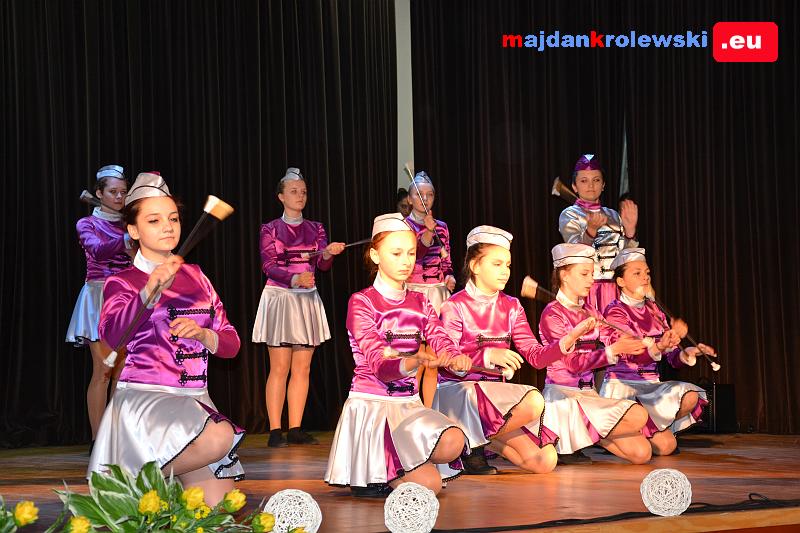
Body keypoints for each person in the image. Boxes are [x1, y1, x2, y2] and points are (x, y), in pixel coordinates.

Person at [89, 172, 244, 505]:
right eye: (154, 220)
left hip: (195, 402)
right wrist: (148, 291)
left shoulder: (198, 277)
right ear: (133, 230)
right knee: (221, 436)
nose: (168, 227)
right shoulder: (123, 281)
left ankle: (141, 479)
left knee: (216, 513)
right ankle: (136, 479)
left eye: (173, 218)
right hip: (148, 405)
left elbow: (232, 345)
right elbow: (113, 336)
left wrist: (204, 334)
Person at [325, 213, 472, 497]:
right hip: (373, 407)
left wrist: (455, 357)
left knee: (454, 440)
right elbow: (380, 365)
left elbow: (440, 337)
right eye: (396, 253)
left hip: (408, 405)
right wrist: (414, 360)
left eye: (411, 253)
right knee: (429, 486)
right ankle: (373, 468)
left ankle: (392, 467)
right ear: (375, 255)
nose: (406, 261)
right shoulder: (362, 302)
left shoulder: (420, 301)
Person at [436, 226, 593, 475]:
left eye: (508, 265)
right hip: (459, 394)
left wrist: (568, 339)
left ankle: (479, 439)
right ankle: (471, 446)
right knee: (533, 401)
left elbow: (535, 356)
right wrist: (487, 355)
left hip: (495, 401)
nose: (505, 271)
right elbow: (447, 360)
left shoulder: (511, 306)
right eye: (497, 264)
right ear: (475, 266)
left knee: (544, 460)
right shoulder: (454, 306)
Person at [252, 168, 345, 447]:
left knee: (302, 368)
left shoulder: (316, 228)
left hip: (306, 300)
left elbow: (322, 265)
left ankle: (295, 428)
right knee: (280, 367)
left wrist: (328, 254)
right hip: (280, 298)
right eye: (294, 191)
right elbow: (268, 265)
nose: (300, 196)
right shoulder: (270, 229)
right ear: (281, 196)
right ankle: (275, 430)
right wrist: (293, 278)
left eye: (303, 191)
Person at [538, 243, 653, 465]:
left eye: (592, 274)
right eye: (584, 274)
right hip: (564, 397)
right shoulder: (552, 314)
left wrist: (634, 342)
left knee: (642, 453)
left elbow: (612, 335)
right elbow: (572, 364)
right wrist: (613, 351)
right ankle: (564, 437)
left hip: (588, 395)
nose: (591, 280)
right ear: (564, 275)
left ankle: (585, 435)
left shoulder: (590, 311)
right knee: (638, 415)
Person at [600, 248, 713, 456]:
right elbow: (630, 353)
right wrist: (660, 345)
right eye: (637, 273)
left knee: (690, 398)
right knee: (664, 447)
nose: (645, 277)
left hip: (650, 387)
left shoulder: (654, 311)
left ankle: (631, 434)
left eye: (647, 273)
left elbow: (672, 358)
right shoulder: (615, 311)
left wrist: (688, 351)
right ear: (620, 281)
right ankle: (609, 433)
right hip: (624, 388)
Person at [66, 164, 133, 441]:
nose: (119, 197)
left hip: (129, 298)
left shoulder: (130, 222)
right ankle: (98, 439)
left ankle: (115, 437)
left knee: (123, 374)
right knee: (104, 371)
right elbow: (98, 250)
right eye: (113, 192)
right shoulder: (87, 224)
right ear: (99, 194)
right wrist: (127, 238)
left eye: (123, 192)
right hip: (100, 297)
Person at [558, 154, 640, 312]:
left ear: (603, 185)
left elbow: (626, 258)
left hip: (617, 289)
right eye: (584, 181)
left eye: (596, 180)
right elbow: (574, 253)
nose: (591, 185)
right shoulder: (569, 214)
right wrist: (590, 232)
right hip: (587, 289)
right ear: (574, 186)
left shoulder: (613, 215)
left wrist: (630, 232)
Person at [404, 171, 455, 313]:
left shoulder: (442, 226)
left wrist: (449, 275)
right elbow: (416, 255)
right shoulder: (404, 226)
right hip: (413, 291)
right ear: (409, 199)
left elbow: (446, 260)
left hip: (438, 292)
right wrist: (428, 232)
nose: (425, 198)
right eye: (419, 194)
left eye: (430, 194)